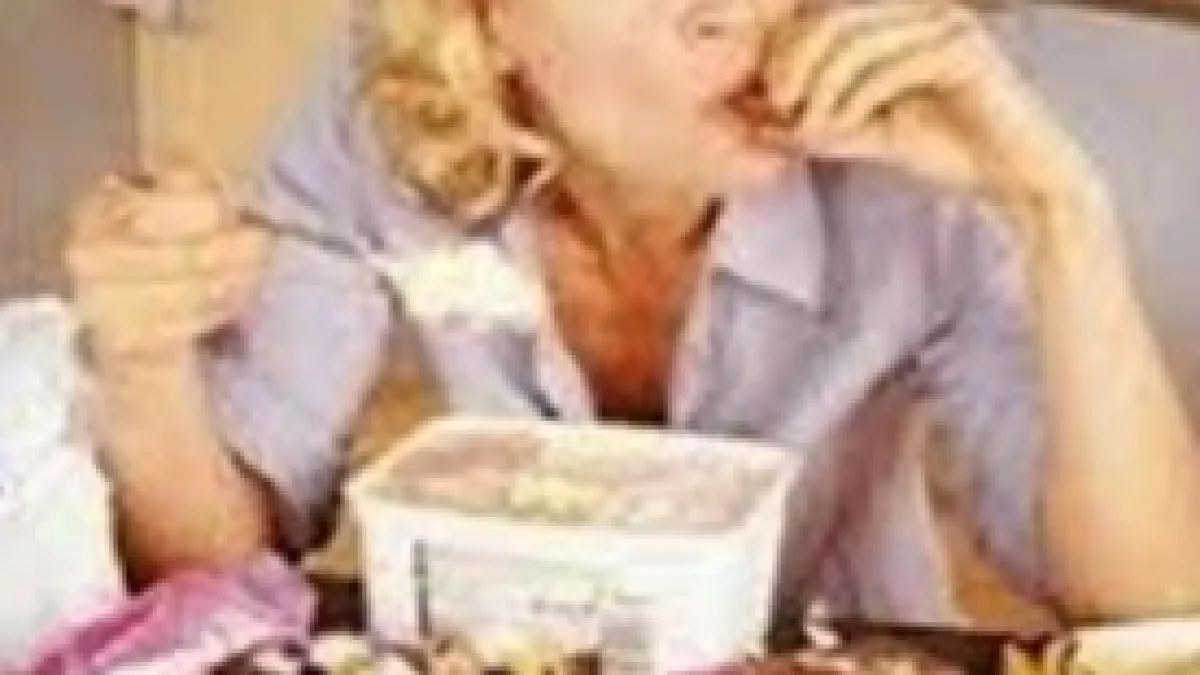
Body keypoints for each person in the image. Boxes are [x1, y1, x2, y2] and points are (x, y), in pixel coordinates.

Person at [67, 0, 1200, 623]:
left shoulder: (909, 163)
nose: (744, 11)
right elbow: (212, 576)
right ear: (484, 18)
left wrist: (1061, 212)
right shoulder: (382, 116)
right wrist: (146, 364)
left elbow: (1155, 604)